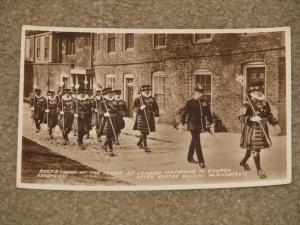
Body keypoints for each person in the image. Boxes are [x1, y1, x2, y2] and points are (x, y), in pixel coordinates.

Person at [239, 81, 281, 179]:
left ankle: (243, 161)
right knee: (255, 148)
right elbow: (241, 117)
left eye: (260, 90)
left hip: (262, 128)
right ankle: (259, 170)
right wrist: (251, 118)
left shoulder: (264, 102)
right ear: (252, 91)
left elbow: (269, 115)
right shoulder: (247, 104)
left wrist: (275, 124)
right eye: (257, 90)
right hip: (252, 129)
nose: (260, 92)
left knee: (253, 147)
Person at [180, 85, 214, 168]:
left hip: (200, 124)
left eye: (202, 92)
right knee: (197, 142)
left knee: (194, 141)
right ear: (195, 92)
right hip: (192, 125)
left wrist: (211, 124)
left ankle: (189, 157)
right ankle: (201, 161)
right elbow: (184, 113)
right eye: (199, 93)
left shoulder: (204, 102)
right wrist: (181, 123)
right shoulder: (189, 102)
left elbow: (208, 114)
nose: (201, 94)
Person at [133, 85, 159, 152]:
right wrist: (140, 108)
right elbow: (134, 108)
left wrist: (156, 115)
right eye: (145, 91)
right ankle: (145, 146)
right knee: (144, 131)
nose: (147, 92)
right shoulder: (138, 99)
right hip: (141, 116)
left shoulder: (152, 99)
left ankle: (139, 143)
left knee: (147, 132)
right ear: (142, 91)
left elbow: (156, 107)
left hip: (150, 116)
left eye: (148, 90)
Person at [99, 87, 118, 156]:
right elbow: (99, 110)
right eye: (108, 93)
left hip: (115, 119)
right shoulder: (102, 102)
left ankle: (104, 145)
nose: (110, 94)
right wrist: (104, 113)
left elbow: (118, 109)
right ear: (105, 94)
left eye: (110, 93)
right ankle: (110, 149)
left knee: (112, 134)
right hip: (107, 120)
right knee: (108, 134)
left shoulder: (115, 101)